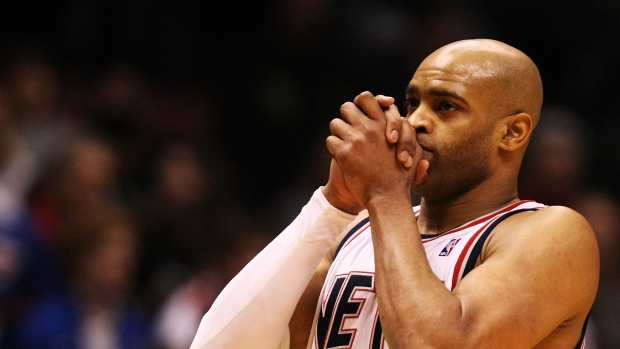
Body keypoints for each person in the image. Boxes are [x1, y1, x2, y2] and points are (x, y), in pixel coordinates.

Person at [190, 39, 599, 348]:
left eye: (446, 107)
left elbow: (435, 344)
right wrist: (334, 206)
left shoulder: (552, 234)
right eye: (412, 102)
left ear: (512, 133)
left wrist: (386, 195)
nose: (415, 121)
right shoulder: (356, 231)